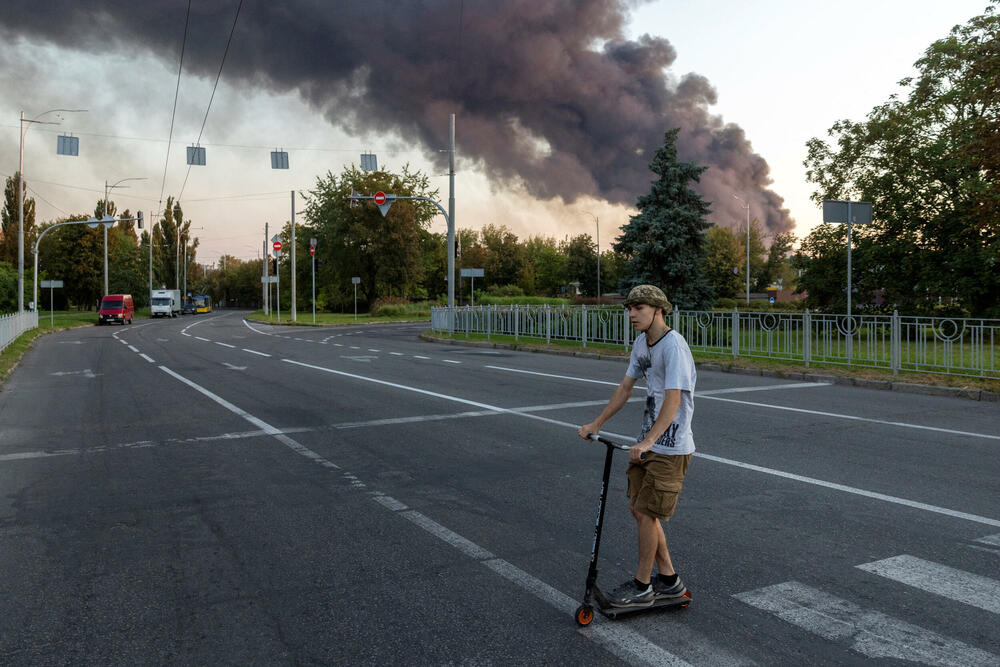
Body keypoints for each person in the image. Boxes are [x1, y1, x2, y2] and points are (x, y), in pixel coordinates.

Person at [578, 284, 696, 609]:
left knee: (646, 513)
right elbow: (626, 387)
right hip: (649, 444)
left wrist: (648, 440)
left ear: (658, 309)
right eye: (629, 308)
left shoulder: (674, 347)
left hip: (670, 448)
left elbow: (673, 399)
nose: (631, 314)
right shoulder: (642, 344)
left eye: (638, 308)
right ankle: (669, 580)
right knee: (640, 511)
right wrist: (596, 423)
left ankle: (643, 587)